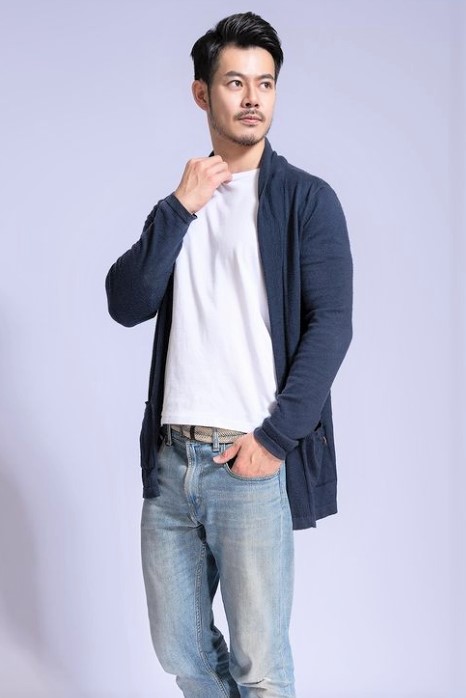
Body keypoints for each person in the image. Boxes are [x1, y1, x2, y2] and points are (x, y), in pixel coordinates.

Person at [105, 11, 353, 698]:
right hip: (171, 462)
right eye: (235, 82)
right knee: (182, 654)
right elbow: (125, 302)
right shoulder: (182, 206)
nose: (252, 98)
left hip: (248, 461)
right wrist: (179, 208)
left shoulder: (306, 200)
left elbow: (331, 326)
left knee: (261, 669)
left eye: (265, 83)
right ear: (202, 93)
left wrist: (274, 441)